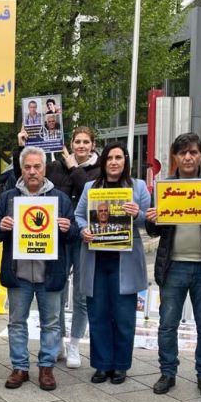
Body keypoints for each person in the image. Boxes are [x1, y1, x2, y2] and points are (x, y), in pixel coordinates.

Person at [145, 132, 201, 400]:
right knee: (167, 324)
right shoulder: (165, 188)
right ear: (175, 156)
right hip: (173, 267)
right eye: (182, 152)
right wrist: (151, 219)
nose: (188, 157)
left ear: (200, 155)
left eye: (193, 152)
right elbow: (153, 230)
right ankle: (167, 372)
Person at [0, 146, 79, 391]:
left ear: (44, 169)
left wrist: (67, 228)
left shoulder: (60, 199)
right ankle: (20, 367)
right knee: (17, 322)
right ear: (22, 169)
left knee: (51, 323)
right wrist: (1, 226)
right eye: (27, 167)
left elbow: (74, 234)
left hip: (50, 273)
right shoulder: (8, 198)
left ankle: (46, 367)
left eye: (37, 167)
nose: (32, 172)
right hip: (18, 274)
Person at [11, 126, 95, 367]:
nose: (81, 145)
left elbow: (89, 192)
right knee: (56, 289)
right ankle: (57, 342)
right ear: (71, 142)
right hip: (55, 237)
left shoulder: (96, 169)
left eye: (86, 142)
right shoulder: (55, 167)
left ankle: (75, 344)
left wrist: (74, 168)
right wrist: (21, 146)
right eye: (77, 141)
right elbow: (28, 176)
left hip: (84, 235)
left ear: (93, 145)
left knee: (80, 295)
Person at [75, 143, 149, 384]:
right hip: (96, 261)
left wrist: (137, 213)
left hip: (124, 263)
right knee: (98, 315)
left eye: (119, 157)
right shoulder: (91, 187)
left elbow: (151, 220)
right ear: (103, 162)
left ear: (125, 160)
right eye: (110, 158)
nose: (114, 162)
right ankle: (102, 364)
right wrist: (83, 229)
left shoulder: (138, 187)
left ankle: (120, 365)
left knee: (124, 317)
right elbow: (79, 215)